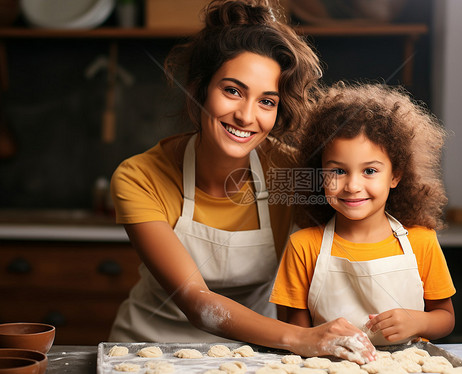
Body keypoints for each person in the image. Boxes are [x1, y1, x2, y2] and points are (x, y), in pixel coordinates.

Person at [108, 0, 376, 363]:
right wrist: (302, 338)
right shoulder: (141, 177)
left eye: (267, 101)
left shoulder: (289, 174)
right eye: (232, 91)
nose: (247, 116)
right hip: (147, 351)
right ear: (199, 89)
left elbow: (346, 249)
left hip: (256, 355)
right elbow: (196, 302)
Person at [270, 82, 456, 345]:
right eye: (338, 171)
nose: (353, 186)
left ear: (396, 175)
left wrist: (418, 321)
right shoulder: (303, 247)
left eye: (370, 171)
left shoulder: (421, 242)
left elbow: (445, 318)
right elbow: (299, 336)